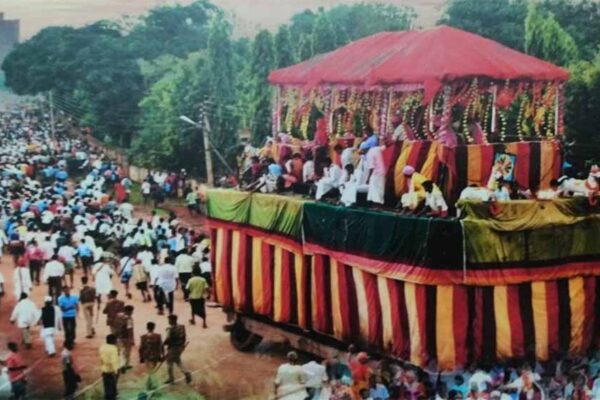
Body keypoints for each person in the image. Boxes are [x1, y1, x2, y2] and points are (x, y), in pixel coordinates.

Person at [163, 314, 192, 384]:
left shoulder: (170, 329)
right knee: (177, 360)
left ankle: (171, 378)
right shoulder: (182, 327)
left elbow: (167, 339)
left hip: (173, 348)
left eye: (169, 320)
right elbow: (184, 336)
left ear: (172, 320)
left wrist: (163, 344)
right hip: (180, 347)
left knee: (169, 363)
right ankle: (186, 373)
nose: (168, 321)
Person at [139, 321, 164, 390]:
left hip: (147, 356)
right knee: (152, 370)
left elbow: (141, 348)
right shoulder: (158, 336)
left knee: (151, 371)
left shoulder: (143, 337)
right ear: (154, 328)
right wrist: (162, 355)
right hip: (156, 355)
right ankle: (149, 384)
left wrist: (141, 357)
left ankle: (154, 385)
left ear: (147, 328)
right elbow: (161, 346)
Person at [112, 305, 135, 372]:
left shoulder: (118, 316)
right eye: (131, 311)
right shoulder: (129, 319)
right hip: (126, 337)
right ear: (129, 311)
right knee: (127, 352)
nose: (132, 313)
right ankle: (125, 365)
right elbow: (130, 329)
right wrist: (131, 339)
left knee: (120, 351)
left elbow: (114, 325)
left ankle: (120, 364)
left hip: (118, 336)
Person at [99, 334, 119, 400]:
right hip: (111, 371)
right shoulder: (113, 349)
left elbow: (101, 359)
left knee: (106, 386)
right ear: (113, 340)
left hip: (104, 369)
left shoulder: (102, 347)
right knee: (112, 387)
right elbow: (114, 361)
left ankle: (108, 396)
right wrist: (116, 371)